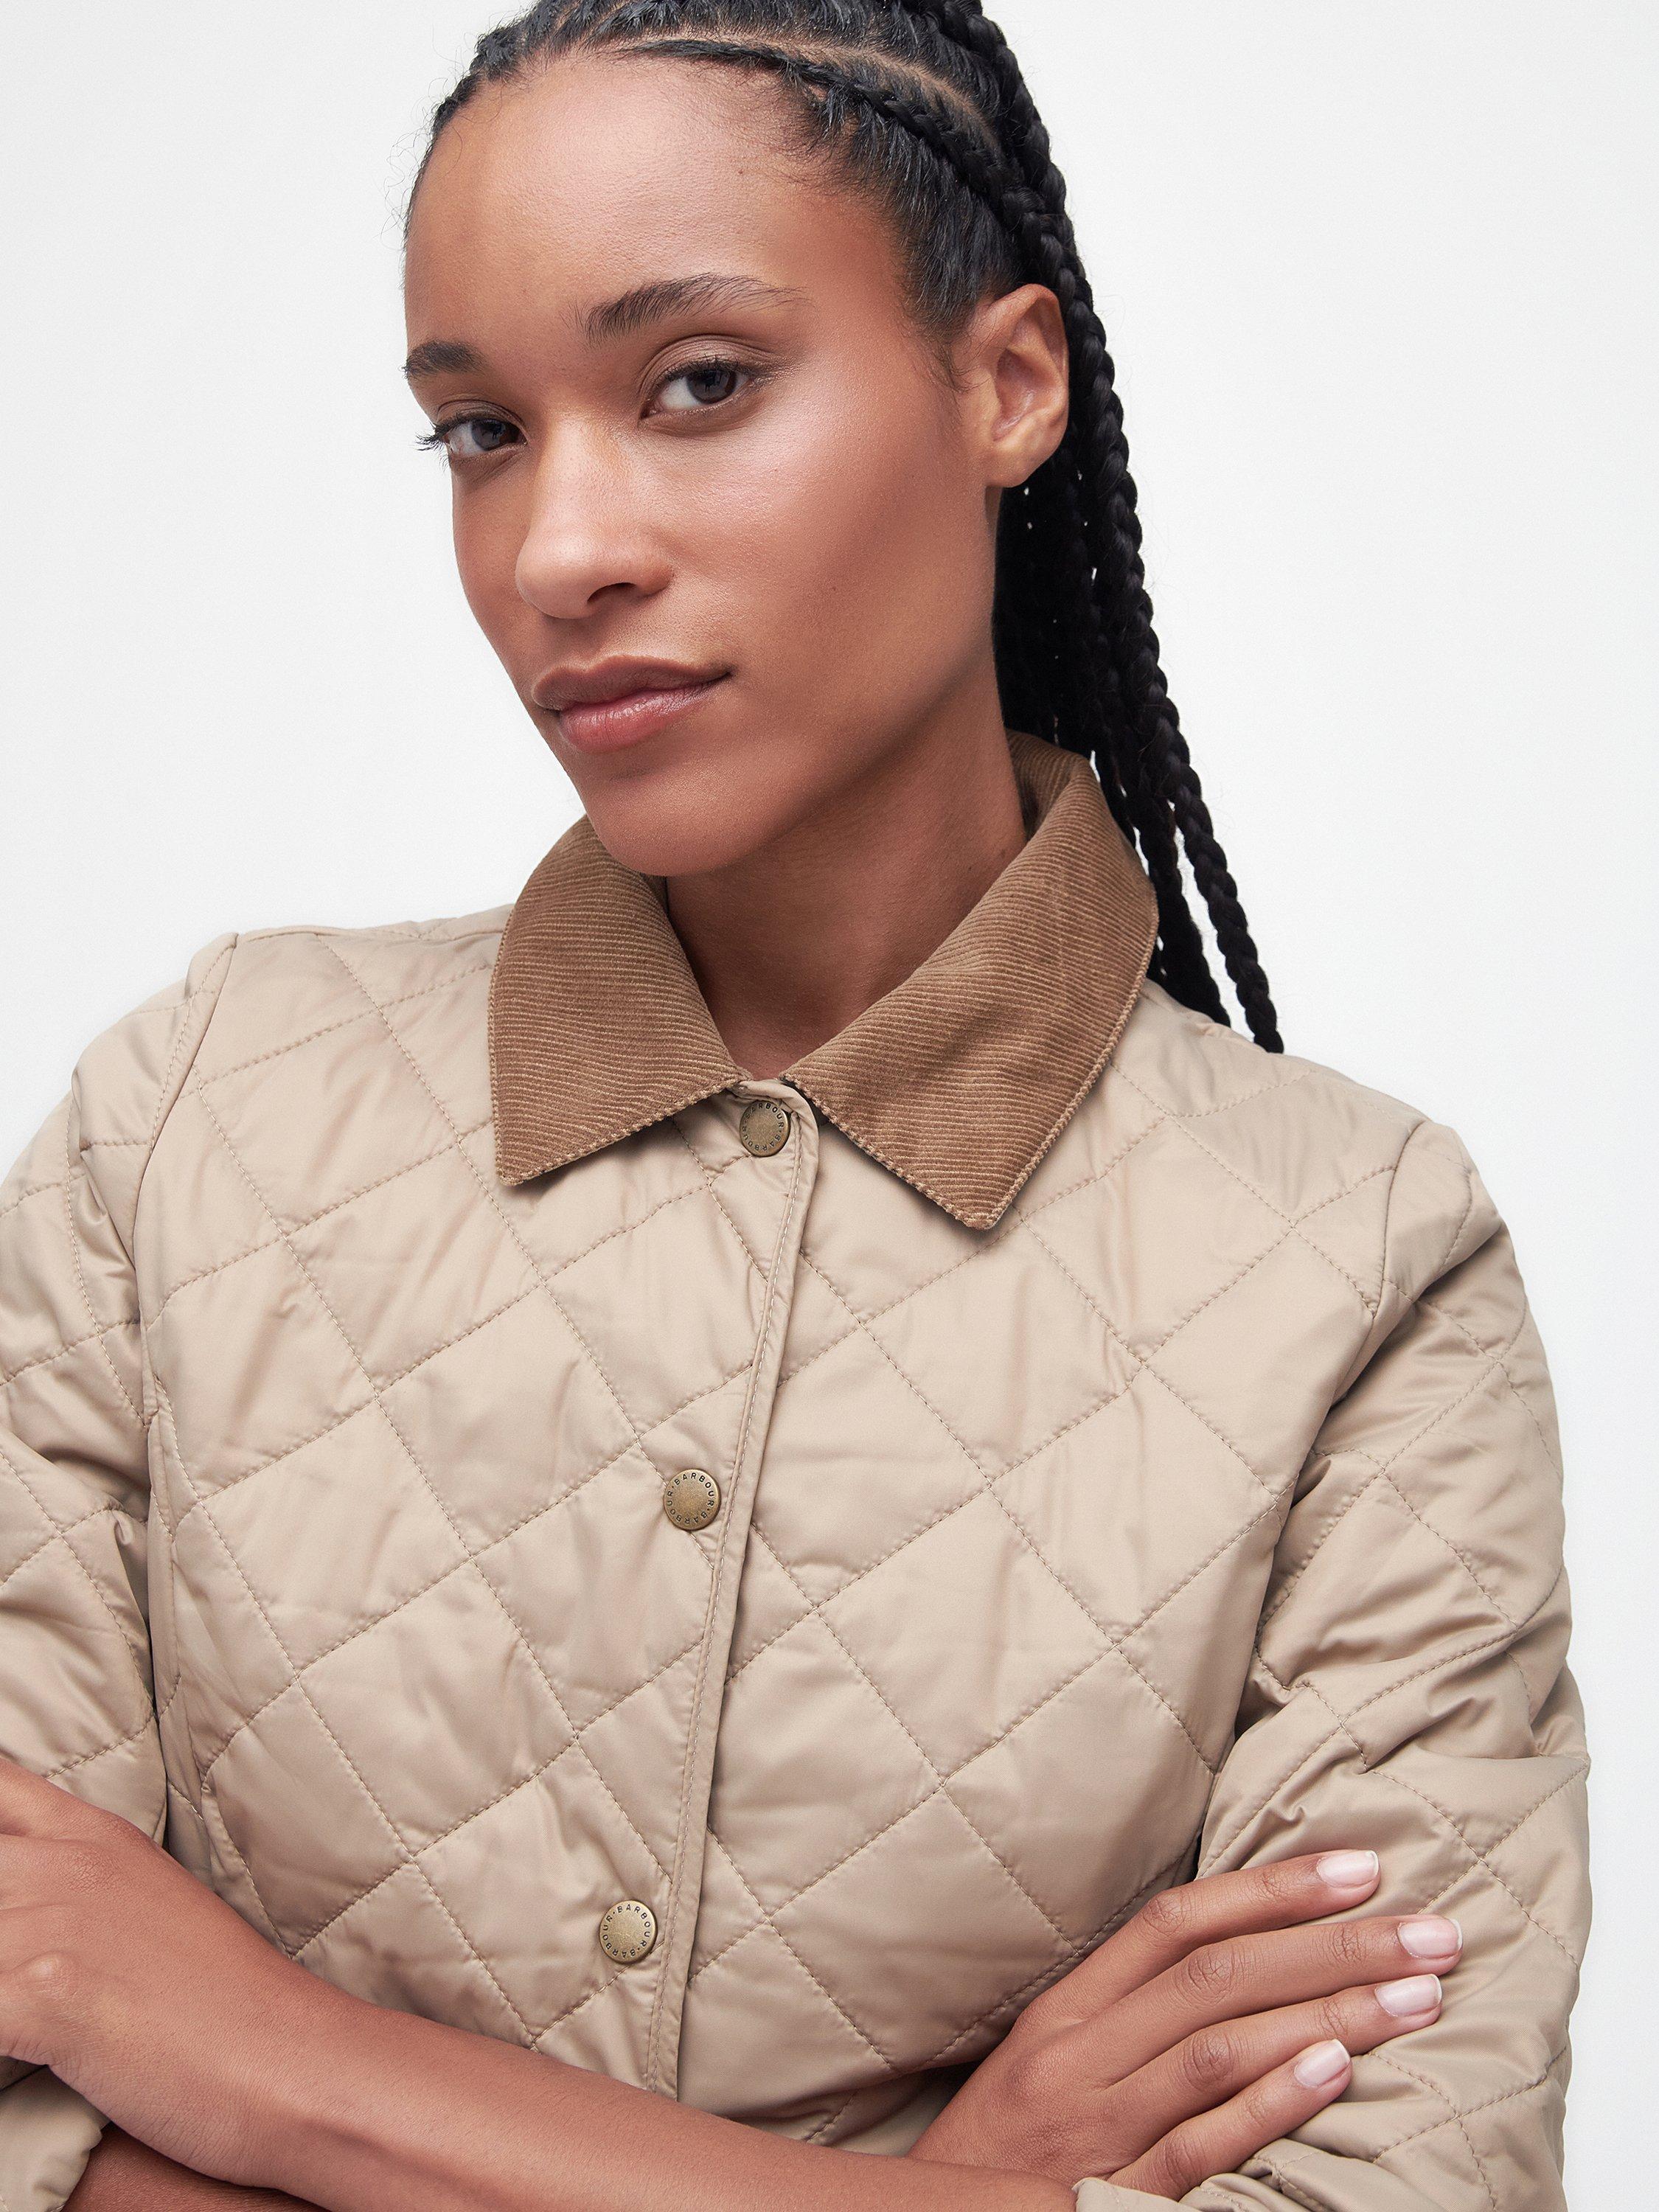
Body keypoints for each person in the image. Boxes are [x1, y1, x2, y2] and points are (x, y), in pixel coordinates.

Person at [0, 4, 1589, 2209]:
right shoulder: (193, 1123)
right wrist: (963, 2192)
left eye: (698, 384)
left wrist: (269, 2065)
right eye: (479, 431)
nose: (557, 550)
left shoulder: (1361, 1267)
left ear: (1004, 384)